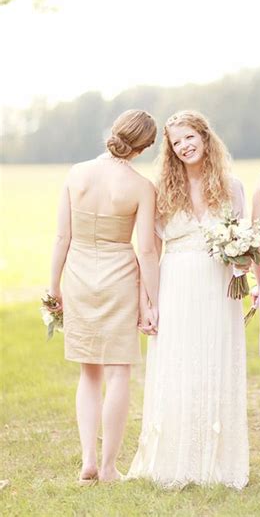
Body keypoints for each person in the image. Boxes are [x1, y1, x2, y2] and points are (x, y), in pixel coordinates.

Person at [128, 110, 249, 489]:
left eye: (189, 137)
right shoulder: (162, 190)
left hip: (217, 287)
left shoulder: (231, 186)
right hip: (176, 285)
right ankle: (174, 458)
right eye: (176, 142)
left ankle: (215, 461)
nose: (184, 146)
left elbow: (244, 248)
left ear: (204, 136)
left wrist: (243, 257)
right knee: (178, 364)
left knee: (214, 360)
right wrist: (148, 302)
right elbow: (150, 249)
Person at [48, 110, 159, 483]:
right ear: (143, 147)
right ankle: (110, 466)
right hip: (118, 278)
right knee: (119, 373)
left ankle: (88, 460)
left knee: (88, 373)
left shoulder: (76, 173)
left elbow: (61, 237)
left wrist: (53, 286)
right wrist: (151, 302)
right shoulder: (142, 187)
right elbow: (146, 251)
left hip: (78, 276)